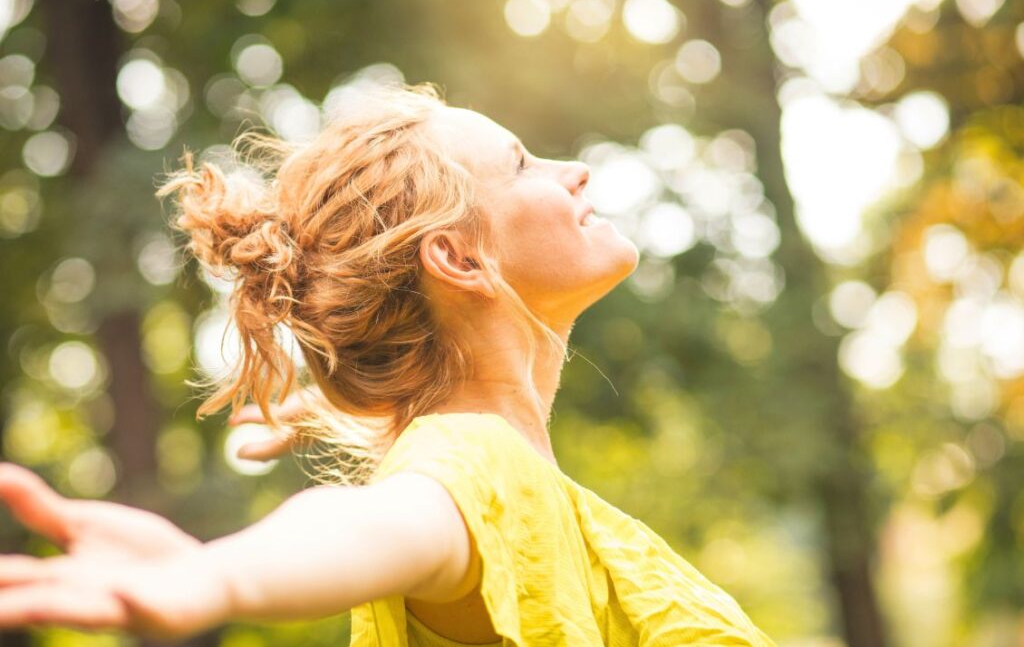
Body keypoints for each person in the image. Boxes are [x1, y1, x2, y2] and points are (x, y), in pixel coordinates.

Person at [0, 82, 777, 646]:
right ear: (459, 258)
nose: (574, 168)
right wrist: (222, 573)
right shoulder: (474, 460)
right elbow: (379, 522)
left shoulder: (512, 480)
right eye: (522, 165)